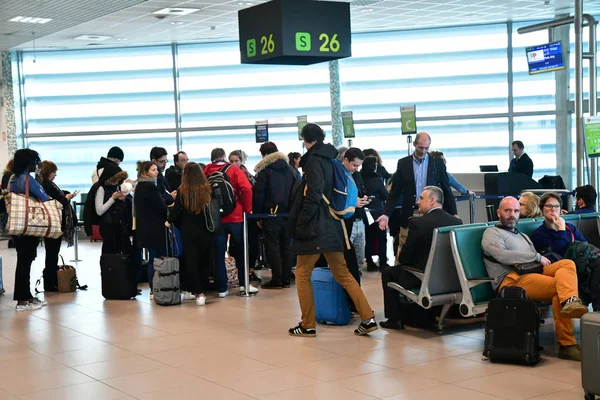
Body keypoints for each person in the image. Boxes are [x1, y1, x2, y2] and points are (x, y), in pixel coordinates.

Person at [288, 123, 377, 337]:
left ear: (305, 139)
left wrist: (302, 221)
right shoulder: (331, 158)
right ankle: (368, 317)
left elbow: (315, 192)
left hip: (315, 226)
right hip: (333, 224)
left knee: (302, 272)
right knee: (343, 273)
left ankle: (307, 324)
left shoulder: (313, 160)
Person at [482, 196, 588, 361]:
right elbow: (502, 255)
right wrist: (536, 257)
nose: (512, 215)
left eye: (516, 211)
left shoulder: (522, 236)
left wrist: (536, 259)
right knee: (557, 289)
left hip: (532, 273)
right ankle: (567, 345)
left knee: (567, 264)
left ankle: (570, 301)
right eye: (507, 210)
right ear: (498, 212)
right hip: (511, 280)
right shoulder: (492, 233)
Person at [380, 186, 462, 330]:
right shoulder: (456, 222)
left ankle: (394, 319)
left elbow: (405, 258)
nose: (418, 202)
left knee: (388, 272)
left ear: (432, 200)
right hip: (449, 278)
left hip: (422, 278)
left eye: (421, 198)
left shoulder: (419, 223)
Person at [377, 132, 456, 257]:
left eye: (426, 148)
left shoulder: (437, 163)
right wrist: (386, 214)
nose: (423, 151)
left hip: (431, 213)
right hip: (410, 213)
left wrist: (453, 213)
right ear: (414, 144)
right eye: (420, 147)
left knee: (429, 250)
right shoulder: (403, 163)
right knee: (404, 249)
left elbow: (446, 188)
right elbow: (394, 192)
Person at [204, 148, 257, 296]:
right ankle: (243, 285)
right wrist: (247, 208)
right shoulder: (233, 169)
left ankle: (222, 288)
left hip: (215, 218)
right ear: (223, 157)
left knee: (218, 253)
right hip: (235, 216)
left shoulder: (206, 170)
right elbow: (246, 188)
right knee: (240, 250)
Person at [167, 162, 215, 306]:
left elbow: (176, 211)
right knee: (204, 259)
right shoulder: (206, 188)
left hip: (188, 229)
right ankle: (201, 289)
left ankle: (197, 293)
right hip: (205, 229)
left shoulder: (183, 190)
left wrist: (169, 220)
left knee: (191, 261)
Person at [253, 142, 296, 289]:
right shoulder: (291, 170)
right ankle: (286, 278)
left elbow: (259, 194)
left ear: (264, 155)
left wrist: (258, 215)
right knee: (287, 246)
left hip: (271, 214)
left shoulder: (265, 171)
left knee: (273, 247)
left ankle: (277, 279)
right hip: (288, 214)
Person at [10, 149, 49, 311]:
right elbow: (45, 197)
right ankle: (23, 299)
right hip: (29, 225)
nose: (36, 165)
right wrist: (39, 180)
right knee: (26, 261)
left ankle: (26, 296)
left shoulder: (13, 179)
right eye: (35, 162)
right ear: (29, 163)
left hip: (17, 225)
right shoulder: (28, 180)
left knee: (23, 260)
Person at [38, 161, 78, 292]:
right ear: (49, 173)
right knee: (52, 253)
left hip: (51, 223)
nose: (55, 175)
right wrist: (67, 197)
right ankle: (51, 282)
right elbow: (61, 201)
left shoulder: (43, 184)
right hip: (54, 223)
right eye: (54, 172)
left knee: (52, 253)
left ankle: (51, 281)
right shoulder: (48, 185)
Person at [134, 162, 168, 299]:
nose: (157, 172)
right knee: (157, 258)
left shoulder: (139, 186)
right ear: (145, 172)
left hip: (144, 227)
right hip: (155, 227)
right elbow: (160, 206)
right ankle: (157, 287)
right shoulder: (150, 186)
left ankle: (153, 289)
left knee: (151, 258)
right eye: (153, 170)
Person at [93, 167, 131, 255]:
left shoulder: (116, 187)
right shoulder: (101, 189)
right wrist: (113, 198)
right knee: (110, 254)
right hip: (108, 226)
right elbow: (99, 210)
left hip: (119, 226)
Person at [361, 155, 389, 271]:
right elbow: (385, 196)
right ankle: (383, 262)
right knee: (382, 238)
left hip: (365, 212)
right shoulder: (377, 179)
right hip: (378, 212)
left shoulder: (359, 178)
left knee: (369, 238)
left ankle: (369, 262)